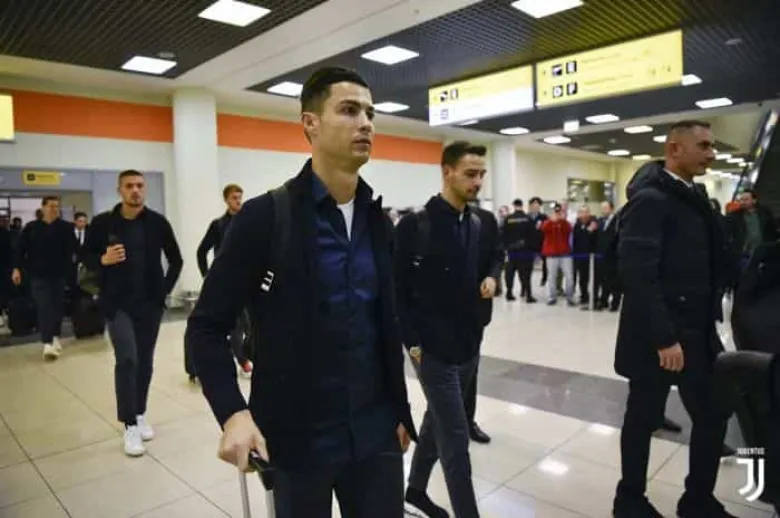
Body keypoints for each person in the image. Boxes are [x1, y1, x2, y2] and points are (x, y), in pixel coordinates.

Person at [185, 66, 416, 518]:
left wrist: (400, 410)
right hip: (296, 441)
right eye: (349, 110)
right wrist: (233, 413)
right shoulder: (265, 218)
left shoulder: (379, 223)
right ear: (310, 123)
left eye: (370, 113)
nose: (365, 123)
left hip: (375, 435)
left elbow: (386, 324)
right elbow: (207, 326)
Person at [612, 120, 735, 517]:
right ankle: (630, 500)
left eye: (712, 146)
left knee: (712, 415)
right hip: (659, 337)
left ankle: (698, 499)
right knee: (642, 418)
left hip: (697, 333)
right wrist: (664, 338)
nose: (711, 154)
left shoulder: (694, 197)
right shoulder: (651, 200)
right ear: (675, 149)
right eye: (704, 145)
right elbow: (637, 273)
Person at [394, 141, 503, 518]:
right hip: (431, 350)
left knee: (437, 419)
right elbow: (396, 290)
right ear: (447, 172)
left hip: (469, 342)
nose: (478, 181)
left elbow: (496, 255)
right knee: (456, 438)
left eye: (482, 174)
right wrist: (413, 345)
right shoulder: (415, 225)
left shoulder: (481, 222)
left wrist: (493, 277)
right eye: (470, 174)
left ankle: (415, 491)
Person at [82, 169, 183, 457]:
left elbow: (176, 260)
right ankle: (129, 425)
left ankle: (139, 413)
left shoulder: (157, 223)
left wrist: (163, 292)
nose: (135, 190)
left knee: (145, 362)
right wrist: (103, 259)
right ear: (120, 191)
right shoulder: (103, 223)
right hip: (117, 304)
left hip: (149, 305)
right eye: (129, 186)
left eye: (139, 185)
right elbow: (85, 255)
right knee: (127, 360)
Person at [195, 183, 252, 378]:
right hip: (226, 282)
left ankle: (246, 356)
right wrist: (207, 276)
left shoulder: (247, 221)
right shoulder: (218, 225)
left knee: (249, 324)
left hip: (247, 279)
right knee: (235, 325)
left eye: (240, 197)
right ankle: (243, 361)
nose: (238, 201)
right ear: (226, 200)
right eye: (234, 198)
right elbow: (202, 251)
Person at [12, 196, 76, 359]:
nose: (54, 209)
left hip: (59, 274)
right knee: (44, 306)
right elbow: (20, 249)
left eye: (57, 206)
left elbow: (73, 249)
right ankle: (47, 342)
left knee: (57, 307)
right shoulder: (31, 228)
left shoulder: (65, 227)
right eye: (51, 206)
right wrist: (16, 268)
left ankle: (55, 335)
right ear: (43, 208)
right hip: (38, 275)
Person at [502, 198, 537, 303]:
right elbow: (533, 235)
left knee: (510, 274)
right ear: (522, 206)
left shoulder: (508, 219)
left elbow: (504, 235)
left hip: (512, 252)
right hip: (525, 252)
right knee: (526, 274)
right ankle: (528, 295)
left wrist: (506, 248)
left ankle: (509, 293)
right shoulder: (528, 218)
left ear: (514, 206)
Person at [539, 204, 574, 305]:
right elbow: (543, 229)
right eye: (556, 211)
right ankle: (552, 297)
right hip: (551, 253)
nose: (558, 214)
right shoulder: (548, 222)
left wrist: (563, 220)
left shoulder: (566, 223)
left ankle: (570, 297)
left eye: (560, 211)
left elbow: (569, 230)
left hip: (565, 253)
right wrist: (551, 221)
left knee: (569, 276)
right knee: (551, 276)